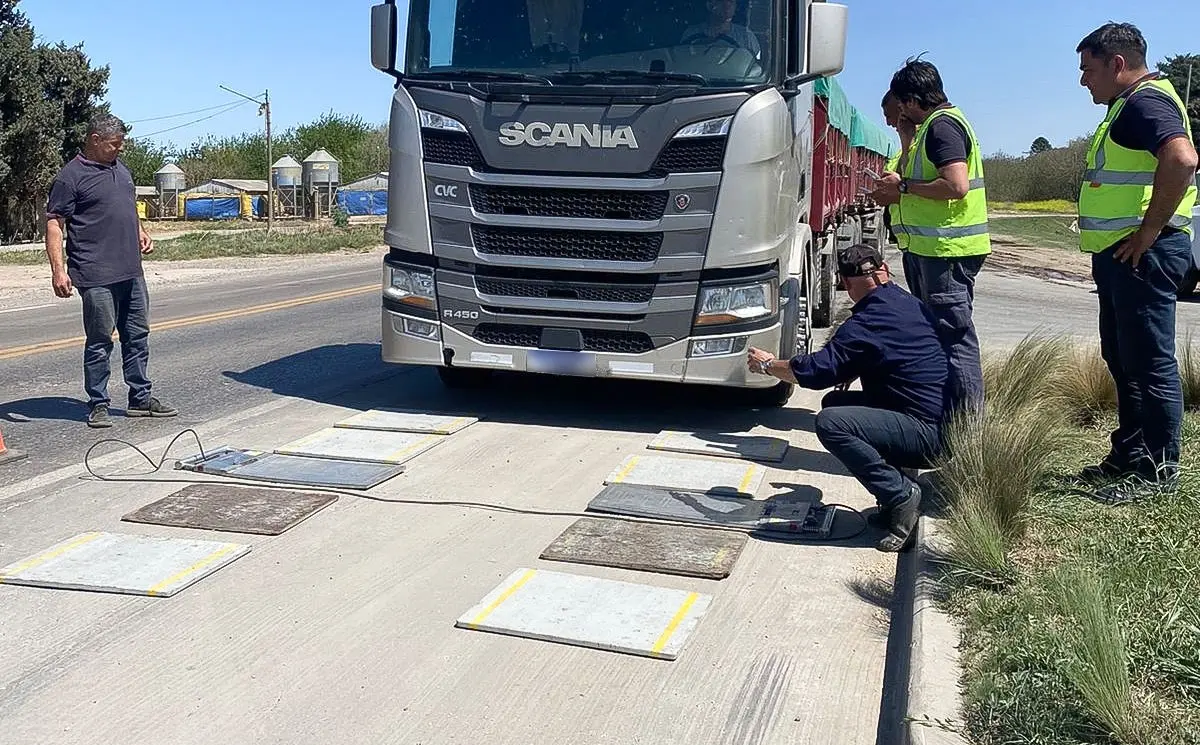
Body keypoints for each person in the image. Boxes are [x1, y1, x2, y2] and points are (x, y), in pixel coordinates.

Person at [746, 243, 950, 552]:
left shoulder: (865, 323)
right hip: (941, 421)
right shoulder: (903, 302)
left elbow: (815, 373)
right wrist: (855, 367)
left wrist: (768, 365)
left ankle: (901, 496)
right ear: (883, 271)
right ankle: (891, 495)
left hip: (928, 435)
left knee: (832, 423)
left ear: (848, 283)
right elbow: (890, 351)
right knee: (837, 405)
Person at [1073, 22, 1199, 502]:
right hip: (1125, 257)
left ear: (1117, 64)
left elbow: (1183, 160)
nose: (1083, 80)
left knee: (1149, 363)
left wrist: (1148, 231)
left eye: (1088, 69)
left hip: (1143, 255)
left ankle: (1157, 472)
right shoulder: (1129, 105)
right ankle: (1130, 454)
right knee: (1124, 357)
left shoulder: (1145, 103)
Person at [870, 58, 990, 413]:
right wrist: (906, 140)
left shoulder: (943, 127)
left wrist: (903, 186)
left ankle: (968, 430)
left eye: (903, 103)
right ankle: (945, 418)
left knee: (954, 339)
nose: (901, 111)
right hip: (930, 249)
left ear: (913, 98)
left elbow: (956, 185)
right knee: (939, 335)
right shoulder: (926, 130)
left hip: (947, 251)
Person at [45, 114, 177, 429]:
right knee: (101, 340)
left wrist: (141, 229)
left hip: (131, 269)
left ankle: (140, 399)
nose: (119, 149)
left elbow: (127, 204)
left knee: (137, 336)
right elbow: (54, 224)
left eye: (120, 144)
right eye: (114, 144)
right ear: (94, 140)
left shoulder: (121, 169)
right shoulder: (70, 176)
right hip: (94, 273)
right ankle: (98, 403)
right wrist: (58, 271)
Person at [880, 90, 918, 254]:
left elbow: (928, 190)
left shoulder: (922, 144)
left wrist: (897, 191)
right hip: (913, 241)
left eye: (889, 115)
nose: (888, 123)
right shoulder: (904, 148)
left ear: (903, 109)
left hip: (927, 244)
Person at [680, 0, 761, 60]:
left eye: (731, 1)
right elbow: (683, 61)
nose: (727, 5)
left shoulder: (746, 37)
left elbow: (755, 65)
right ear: (710, 5)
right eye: (721, 1)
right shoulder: (691, 33)